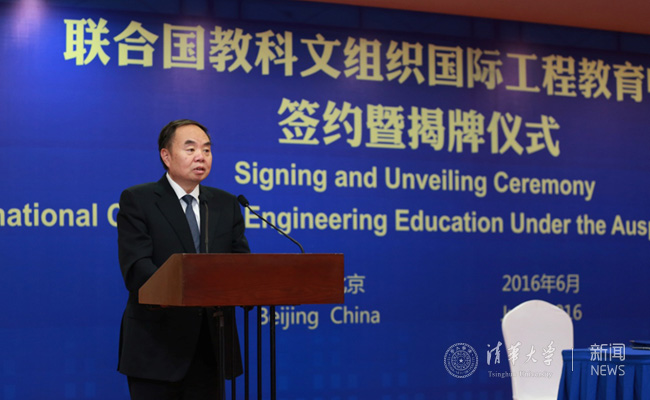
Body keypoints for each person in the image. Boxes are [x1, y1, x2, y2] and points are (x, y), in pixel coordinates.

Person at [116, 119, 249, 399]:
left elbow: (241, 265)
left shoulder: (226, 204)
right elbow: (137, 267)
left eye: (207, 150)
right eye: (190, 149)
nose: (201, 156)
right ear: (166, 156)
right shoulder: (139, 200)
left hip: (212, 345)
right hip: (157, 347)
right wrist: (188, 291)